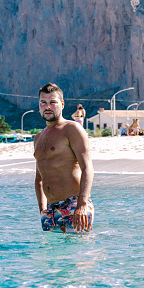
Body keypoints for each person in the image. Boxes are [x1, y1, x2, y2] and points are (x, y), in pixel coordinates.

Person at [34, 83, 94, 233]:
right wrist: (42, 209)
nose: (47, 106)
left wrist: (82, 204)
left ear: (62, 104)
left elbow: (87, 167)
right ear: (39, 105)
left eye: (52, 102)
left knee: (79, 254)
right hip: (50, 211)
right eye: (43, 102)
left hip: (73, 205)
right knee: (52, 256)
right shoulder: (38, 138)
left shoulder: (72, 129)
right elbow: (39, 178)